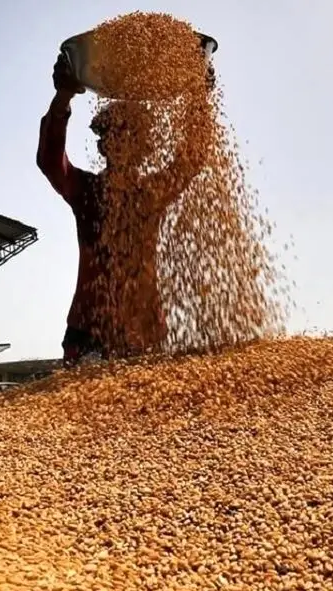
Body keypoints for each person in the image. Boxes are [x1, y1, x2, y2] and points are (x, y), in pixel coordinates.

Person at [37, 52, 213, 367]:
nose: (123, 144)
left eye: (133, 136)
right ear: (103, 145)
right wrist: (62, 98)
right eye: (115, 135)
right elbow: (51, 160)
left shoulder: (151, 193)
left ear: (146, 146)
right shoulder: (86, 190)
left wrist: (199, 99)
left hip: (143, 334)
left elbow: (192, 157)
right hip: (88, 334)